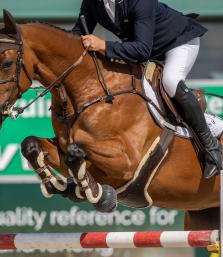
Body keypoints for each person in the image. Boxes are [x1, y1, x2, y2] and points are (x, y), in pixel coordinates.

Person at [72, 0, 222, 179]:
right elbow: (77, 35)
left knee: (171, 81)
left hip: (178, 42)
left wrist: (104, 45)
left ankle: (211, 147)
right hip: (150, 50)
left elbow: (142, 50)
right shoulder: (92, 3)